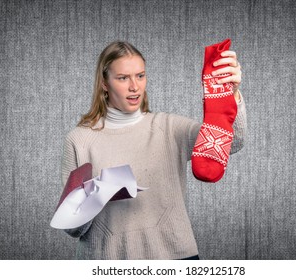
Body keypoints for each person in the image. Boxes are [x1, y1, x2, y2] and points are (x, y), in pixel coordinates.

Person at [60, 41, 246, 259]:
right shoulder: (79, 140)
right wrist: (95, 194)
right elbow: (72, 228)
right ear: (104, 83)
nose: (134, 86)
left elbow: (233, 142)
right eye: (123, 78)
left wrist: (230, 96)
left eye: (140, 76)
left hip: (175, 257)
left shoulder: (168, 128)